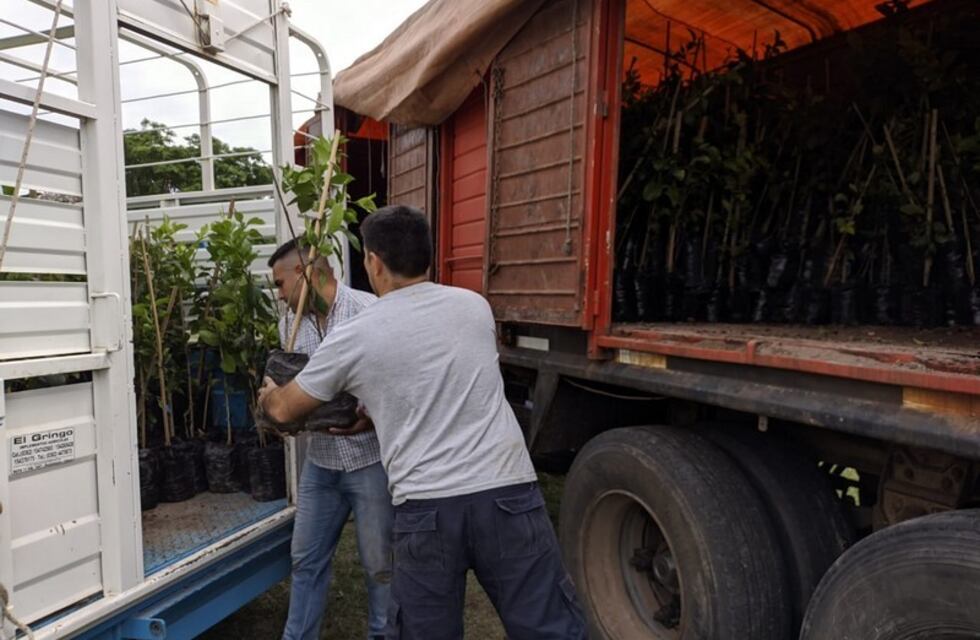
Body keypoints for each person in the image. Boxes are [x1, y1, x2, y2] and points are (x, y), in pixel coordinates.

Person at [259, 206, 586, 640]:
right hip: (508, 494)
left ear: (373, 262)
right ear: (428, 258)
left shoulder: (357, 333)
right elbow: (431, 378)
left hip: (427, 507)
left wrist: (268, 395)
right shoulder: (475, 307)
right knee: (550, 630)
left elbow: (285, 410)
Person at [267, 239, 393, 640]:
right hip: (320, 463)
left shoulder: (368, 312)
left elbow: (396, 382)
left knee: (380, 567)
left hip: (368, 461)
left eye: (281, 283)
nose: (279, 295)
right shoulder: (290, 326)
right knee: (305, 560)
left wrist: (370, 421)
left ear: (305, 274)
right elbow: (294, 397)